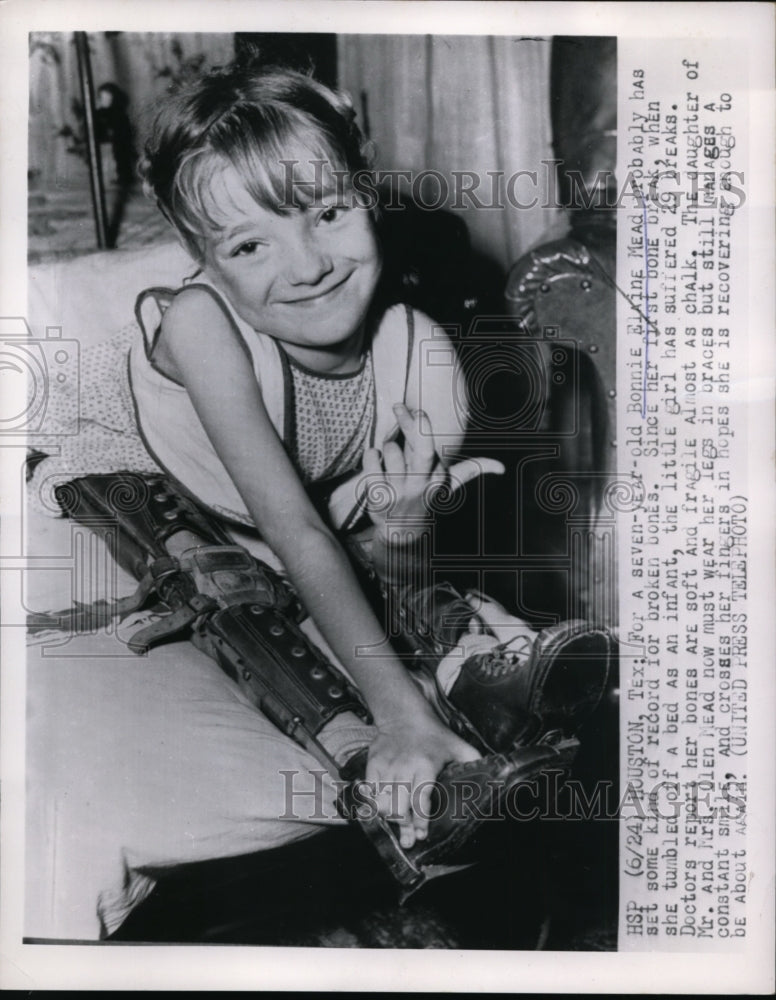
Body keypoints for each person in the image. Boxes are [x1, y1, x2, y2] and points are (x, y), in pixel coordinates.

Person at [25, 61, 611, 939]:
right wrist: (398, 717)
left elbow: (368, 557)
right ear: (204, 261)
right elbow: (292, 527)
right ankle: (376, 748)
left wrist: (407, 524)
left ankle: (481, 683)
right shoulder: (202, 324)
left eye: (327, 214)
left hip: (256, 529)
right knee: (237, 587)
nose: (305, 268)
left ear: (367, 196)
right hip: (129, 489)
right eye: (248, 245)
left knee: (377, 596)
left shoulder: (422, 357)